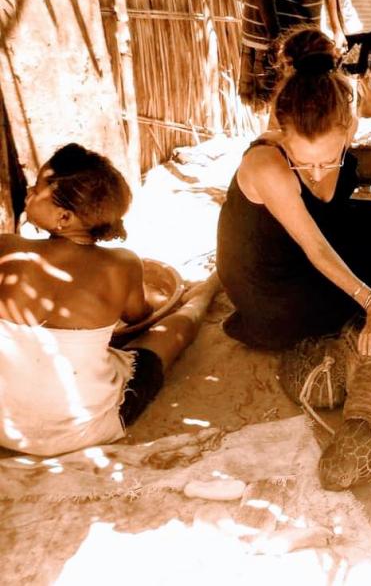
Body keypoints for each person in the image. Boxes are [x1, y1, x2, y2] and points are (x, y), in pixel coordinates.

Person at [0, 144, 220, 456]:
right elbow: (138, 317)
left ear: (64, 217)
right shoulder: (122, 264)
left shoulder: (6, 248)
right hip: (83, 430)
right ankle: (207, 291)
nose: (28, 193)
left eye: (36, 189)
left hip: (5, 428)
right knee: (166, 336)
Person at [216, 26, 371, 354]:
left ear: (347, 127)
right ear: (282, 134)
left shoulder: (344, 126)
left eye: (329, 160)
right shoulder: (267, 164)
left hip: (304, 238)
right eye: (303, 163)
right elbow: (315, 247)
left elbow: (328, 205)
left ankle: (368, 283)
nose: (317, 172)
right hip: (271, 286)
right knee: (352, 294)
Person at [238, 0, 327, 106]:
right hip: (281, 40)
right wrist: (275, 38)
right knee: (284, 116)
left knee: (298, 115)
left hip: (300, 33)